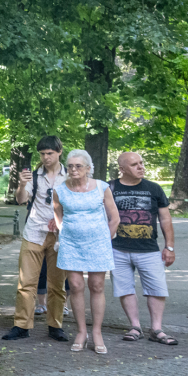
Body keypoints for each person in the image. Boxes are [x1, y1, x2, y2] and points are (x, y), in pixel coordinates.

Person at [2, 136, 69, 342]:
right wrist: (21, 185)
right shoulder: (34, 176)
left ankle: (55, 325)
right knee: (26, 282)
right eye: (42, 154)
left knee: (57, 284)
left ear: (59, 152)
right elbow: (21, 200)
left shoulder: (70, 176)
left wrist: (60, 222)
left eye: (49, 153)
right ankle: (22, 325)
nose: (46, 157)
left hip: (59, 236)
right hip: (34, 233)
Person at [53, 149, 119, 354]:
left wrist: (105, 239)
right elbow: (58, 214)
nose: (73, 169)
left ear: (88, 168)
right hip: (71, 244)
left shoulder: (101, 187)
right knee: (74, 285)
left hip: (98, 243)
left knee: (97, 285)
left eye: (78, 166)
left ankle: (97, 332)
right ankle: (81, 331)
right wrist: (64, 232)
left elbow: (114, 218)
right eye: (70, 166)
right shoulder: (60, 190)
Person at [110, 152, 178, 346]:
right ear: (122, 169)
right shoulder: (109, 187)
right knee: (125, 288)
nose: (141, 167)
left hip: (149, 249)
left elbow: (165, 219)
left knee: (157, 289)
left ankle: (156, 329)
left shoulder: (154, 188)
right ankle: (135, 326)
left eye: (141, 163)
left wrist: (169, 247)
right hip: (118, 249)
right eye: (134, 164)